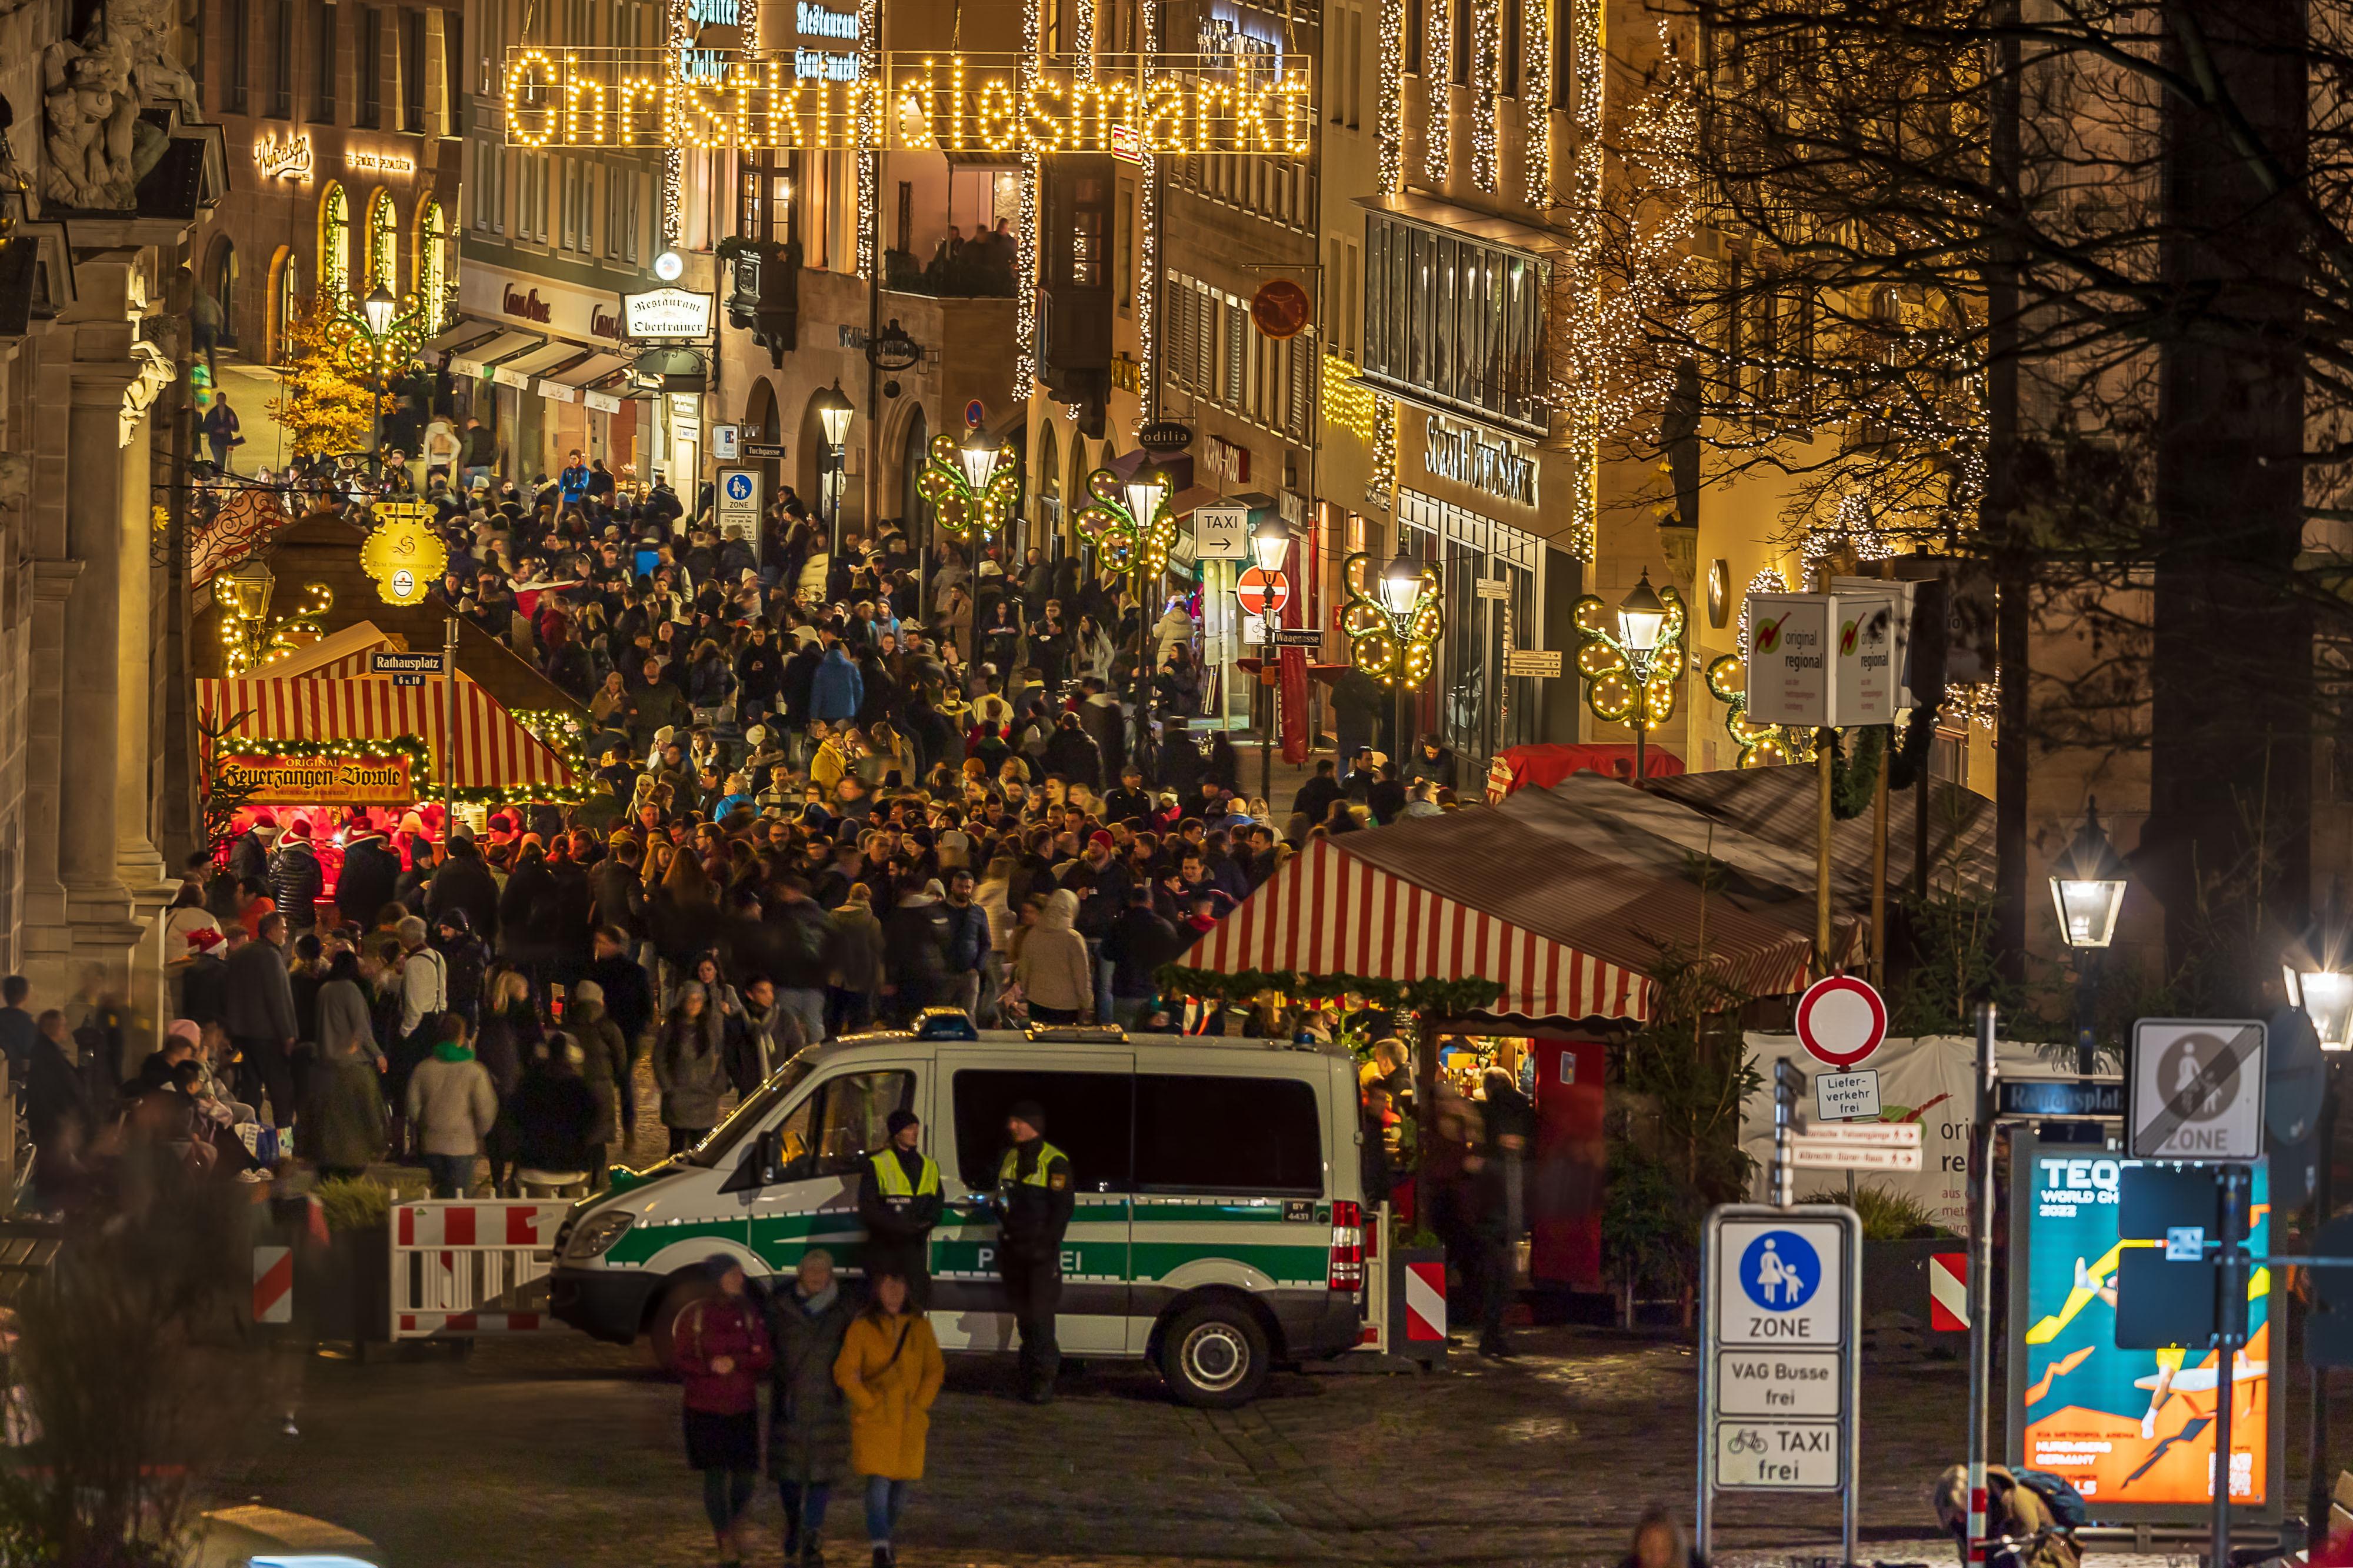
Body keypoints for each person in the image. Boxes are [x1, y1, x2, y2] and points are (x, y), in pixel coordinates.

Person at [834, 1265, 943, 1568]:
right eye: (887, 1285)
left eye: (899, 1285)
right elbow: (845, 1371)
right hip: (877, 1420)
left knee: (900, 1489)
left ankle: (885, 1540)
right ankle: (880, 1545)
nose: (893, 1291)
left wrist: (920, 1405)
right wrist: (868, 1404)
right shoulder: (863, 1327)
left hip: (909, 1420)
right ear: (877, 1290)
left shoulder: (920, 1328)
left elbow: (934, 1369)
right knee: (879, 1483)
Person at [672, 1256, 774, 1568]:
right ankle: (725, 1536)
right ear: (718, 1278)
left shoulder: (748, 1311)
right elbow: (681, 1358)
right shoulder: (695, 1315)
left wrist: (738, 1362)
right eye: (734, 1274)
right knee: (715, 1475)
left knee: (745, 1477)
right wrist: (708, 1366)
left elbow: (765, 1355)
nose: (741, 1279)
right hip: (704, 1407)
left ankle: (729, 1523)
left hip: (742, 1406)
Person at [768, 1248, 857, 1568]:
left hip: (826, 1404)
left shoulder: (844, 1310)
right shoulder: (780, 1306)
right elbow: (769, 1348)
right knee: (789, 1478)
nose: (818, 1276)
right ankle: (794, 1522)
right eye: (812, 1271)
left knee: (821, 1476)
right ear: (800, 1273)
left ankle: (811, 1534)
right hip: (790, 1404)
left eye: (824, 1271)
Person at [991, 1100, 1072, 1403]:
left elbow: (1062, 1210)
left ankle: (1044, 1379)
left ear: (1033, 1125)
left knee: (1039, 1317)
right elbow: (1002, 1195)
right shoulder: (1010, 1157)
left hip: (1040, 1255)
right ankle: (1030, 1374)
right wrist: (1003, 1216)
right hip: (1015, 1250)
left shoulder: (1055, 1161)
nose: (1011, 1127)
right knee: (1025, 1318)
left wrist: (1046, 1249)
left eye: (1018, 1122)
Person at [405, 1012, 497, 1198]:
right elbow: (486, 1111)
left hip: (431, 1144)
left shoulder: (423, 1068)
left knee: (439, 1197)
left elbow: (413, 1108)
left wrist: (426, 1127)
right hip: (462, 1145)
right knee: (458, 1204)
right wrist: (476, 1134)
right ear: (461, 1037)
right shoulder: (475, 1071)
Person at [856, 1109, 941, 1309]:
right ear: (897, 1133)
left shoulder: (929, 1166)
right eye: (909, 1128)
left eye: (916, 1127)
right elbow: (869, 1208)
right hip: (885, 1252)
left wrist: (924, 1225)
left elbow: (937, 1204)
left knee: (915, 1307)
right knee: (885, 1311)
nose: (915, 1132)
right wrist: (899, 1228)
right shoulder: (877, 1164)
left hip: (915, 1252)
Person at [222, 910, 298, 1133]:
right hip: (267, 1037)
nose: (286, 932)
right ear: (271, 930)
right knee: (281, 1093)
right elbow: (279, 999)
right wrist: (288, 1034)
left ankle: (250, 1144)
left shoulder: (240, 954)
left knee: (250, 1089)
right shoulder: (271, 957)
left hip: (240, 1035)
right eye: (283, 927)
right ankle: (285, 1148)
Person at [511, 1035, 602, 1197]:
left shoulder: (529, 1085)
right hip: (573, 1169)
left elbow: (514, 1118)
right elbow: (593, 1122)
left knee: (536, 1220)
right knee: (574, 1219)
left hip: (534, 1168)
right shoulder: (581, 1089)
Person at [655, 979, 731, 1153]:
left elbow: (723, 1057)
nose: (694, 1004)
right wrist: (668, 1087)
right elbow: (659, 1058)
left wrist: (718, 1086)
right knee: (677, 1149)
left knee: (700, 1151)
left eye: (698, 999)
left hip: (704, 1099)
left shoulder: (711, 1028)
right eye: (691, 999)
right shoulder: (672, 1028)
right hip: (678, 1099)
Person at [1009, 888, 1091, 1025]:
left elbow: (1025, 967)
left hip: (1036, 1000)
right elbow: (1082, 976)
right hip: (1067, 1006)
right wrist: (1086, 1003)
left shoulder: (1034, 934)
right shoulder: (1074, 939)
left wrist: (1027, 990)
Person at [202, 393, 241, 472]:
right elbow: (205, 427)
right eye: (219, 399)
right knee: (219, 462)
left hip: (226, 441)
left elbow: (236, 427)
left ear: (225, 399)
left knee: (224, 463)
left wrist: (226, 429)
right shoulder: (212, 413)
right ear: (217, 400)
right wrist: (216, 430)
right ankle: (220, 480)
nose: (221, 401)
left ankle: (221, 479)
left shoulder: (230, 412)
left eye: (222, 399)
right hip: (215, 441)